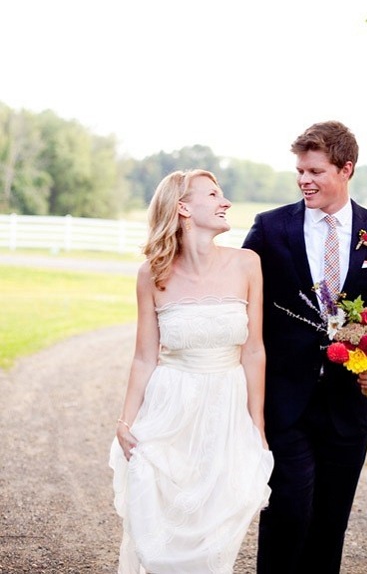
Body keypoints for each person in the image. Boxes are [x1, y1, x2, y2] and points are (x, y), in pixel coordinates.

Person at [242, 121, 367, 574]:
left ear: (346, 169)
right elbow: (237, 293)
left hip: (349, 407)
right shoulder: (271, 228)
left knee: (329, 526)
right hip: (285, 403)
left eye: (315, 171)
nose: (304, 180)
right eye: (300, 171)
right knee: (287, 515)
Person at [109, 169, 273, 574]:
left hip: (226, 409)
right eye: (214, 194)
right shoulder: (152, 274)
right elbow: (144, 357)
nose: (225, 202)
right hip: (171, 409)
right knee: (157, 529)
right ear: (183, 208)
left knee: (216, 529)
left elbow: (253, 351)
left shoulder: (247, 264)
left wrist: (258, 425)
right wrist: (125, 420)